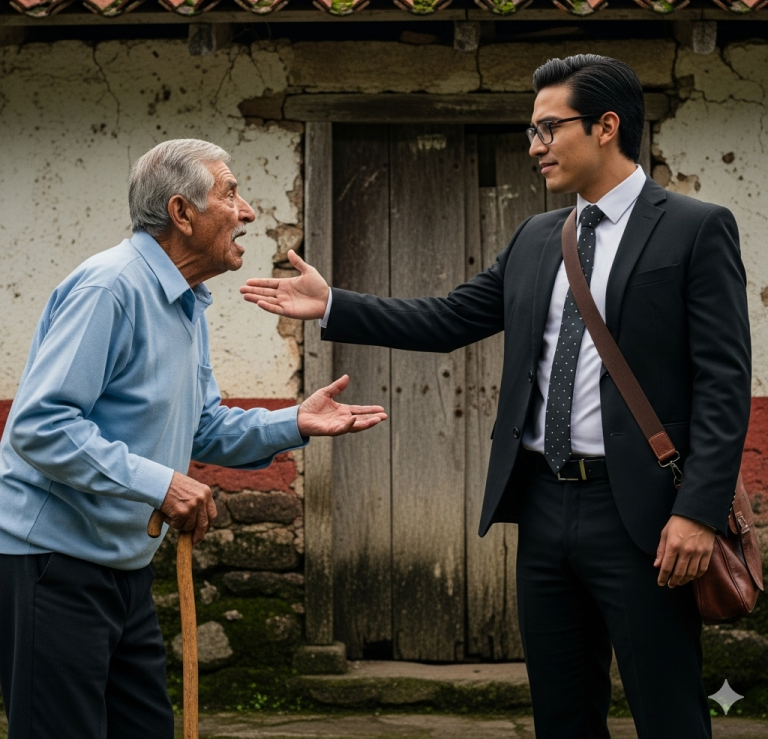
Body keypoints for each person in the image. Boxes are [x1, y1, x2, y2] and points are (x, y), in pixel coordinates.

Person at [239, 57, 751, 738]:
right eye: (530, 130)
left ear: (606, 126)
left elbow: (724, 380)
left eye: (549, 128)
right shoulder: (540, 237)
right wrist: (334, 304)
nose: (534, 145)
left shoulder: (693, 227)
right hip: (541, 505)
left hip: (646, 517)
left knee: (669, 712)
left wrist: (698, 513)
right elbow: (448, 320)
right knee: (562, 715)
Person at [0, 139, 387, 739]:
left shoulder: (184, 304)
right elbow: (39, 425)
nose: (249, 212)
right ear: (182, 213)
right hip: (52, 563)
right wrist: (160, 484)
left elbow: (202, 425)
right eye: (230, 194)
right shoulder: (111, 288)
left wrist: (294, 422)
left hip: (121, 566)